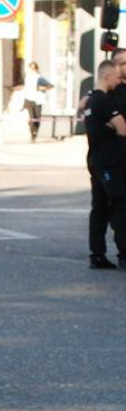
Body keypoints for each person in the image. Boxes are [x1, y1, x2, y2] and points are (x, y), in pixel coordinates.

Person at [83, 59, 126, 270]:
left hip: (96, 161)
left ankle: (97, 253)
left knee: (99, 208)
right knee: (119, 205)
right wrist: (114, 125)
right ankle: (124, 252)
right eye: (116, 77)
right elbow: (123, 129)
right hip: (110, 162)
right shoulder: (104, 101)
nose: (118, 80)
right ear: (108, 76)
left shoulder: (91, 100)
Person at [23, 62, 53, 142]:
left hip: (37, 100)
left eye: (33, 68)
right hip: (29, 99)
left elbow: (50, 86)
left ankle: (35, 133)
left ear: (36, 69)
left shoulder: (39, 78)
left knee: (37, 117)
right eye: (30, 68)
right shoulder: (27, 78)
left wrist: (41, 88)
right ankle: (32, 135)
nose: (32, 70)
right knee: (32, 117)